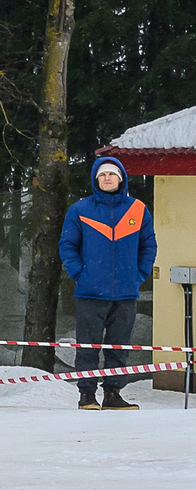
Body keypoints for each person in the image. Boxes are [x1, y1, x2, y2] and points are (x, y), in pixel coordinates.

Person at [59, 155, 159, 411]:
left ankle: (113, 394)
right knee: (88, 347)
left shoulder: (138, 209)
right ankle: (87, 396)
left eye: (111, 174)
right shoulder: (80, 210)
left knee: (118, 348)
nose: (107, 178)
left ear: (121, 178)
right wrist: (79, 273)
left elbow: (148, 246)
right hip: (90, 293)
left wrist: (139, 275)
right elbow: (68, 246)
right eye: (102, 174)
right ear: (95, 179)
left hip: (126, 293)